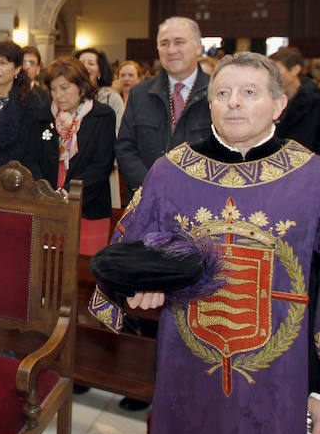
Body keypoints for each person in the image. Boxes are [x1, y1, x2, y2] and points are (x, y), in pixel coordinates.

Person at [89, 53, 320, 434]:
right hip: (184, 370)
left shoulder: (319, 179)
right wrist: (142, 281)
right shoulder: (171, 172)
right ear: (210, 104)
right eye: (222, 92)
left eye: (249, 92)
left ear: (279, 105)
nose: (233, 101)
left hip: (282, 380)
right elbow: (126, 254)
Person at [116, 16, 211, 194]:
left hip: (200, 200)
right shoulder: (140, 94)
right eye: (164, 43)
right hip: (146, 198)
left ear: (198, 46)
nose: (171, 50)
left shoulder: (218, 93)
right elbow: (125, 147)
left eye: (179, 42)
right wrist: (152, 186)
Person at [38, 57, 116, 255]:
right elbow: (34, 157)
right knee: (50, 264)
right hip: (48, 203)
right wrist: (48, 194)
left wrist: (67, 194)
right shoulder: (43, 116)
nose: (58, 95)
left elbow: (102, 164)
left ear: (81, 87)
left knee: (84, 270)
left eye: (64, 88)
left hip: (88, 203)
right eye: (53, 89)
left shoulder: (102, 115)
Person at [0, 41, 45, 178]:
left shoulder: (28, 103)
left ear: (17, 69)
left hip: (11, 180)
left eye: (3, 63)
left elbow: (29, 149)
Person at [269, 46, 320, 160]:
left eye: (277, 71)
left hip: (309, 168)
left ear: (295, 70)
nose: (273, 77)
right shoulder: (269, 100)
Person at [76, 47, 124, 132]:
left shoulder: (112, 98)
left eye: (91, 63)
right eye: (81, 63)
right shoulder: (68, 96)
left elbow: (119, 130)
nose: (85, 67)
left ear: (99, 70)